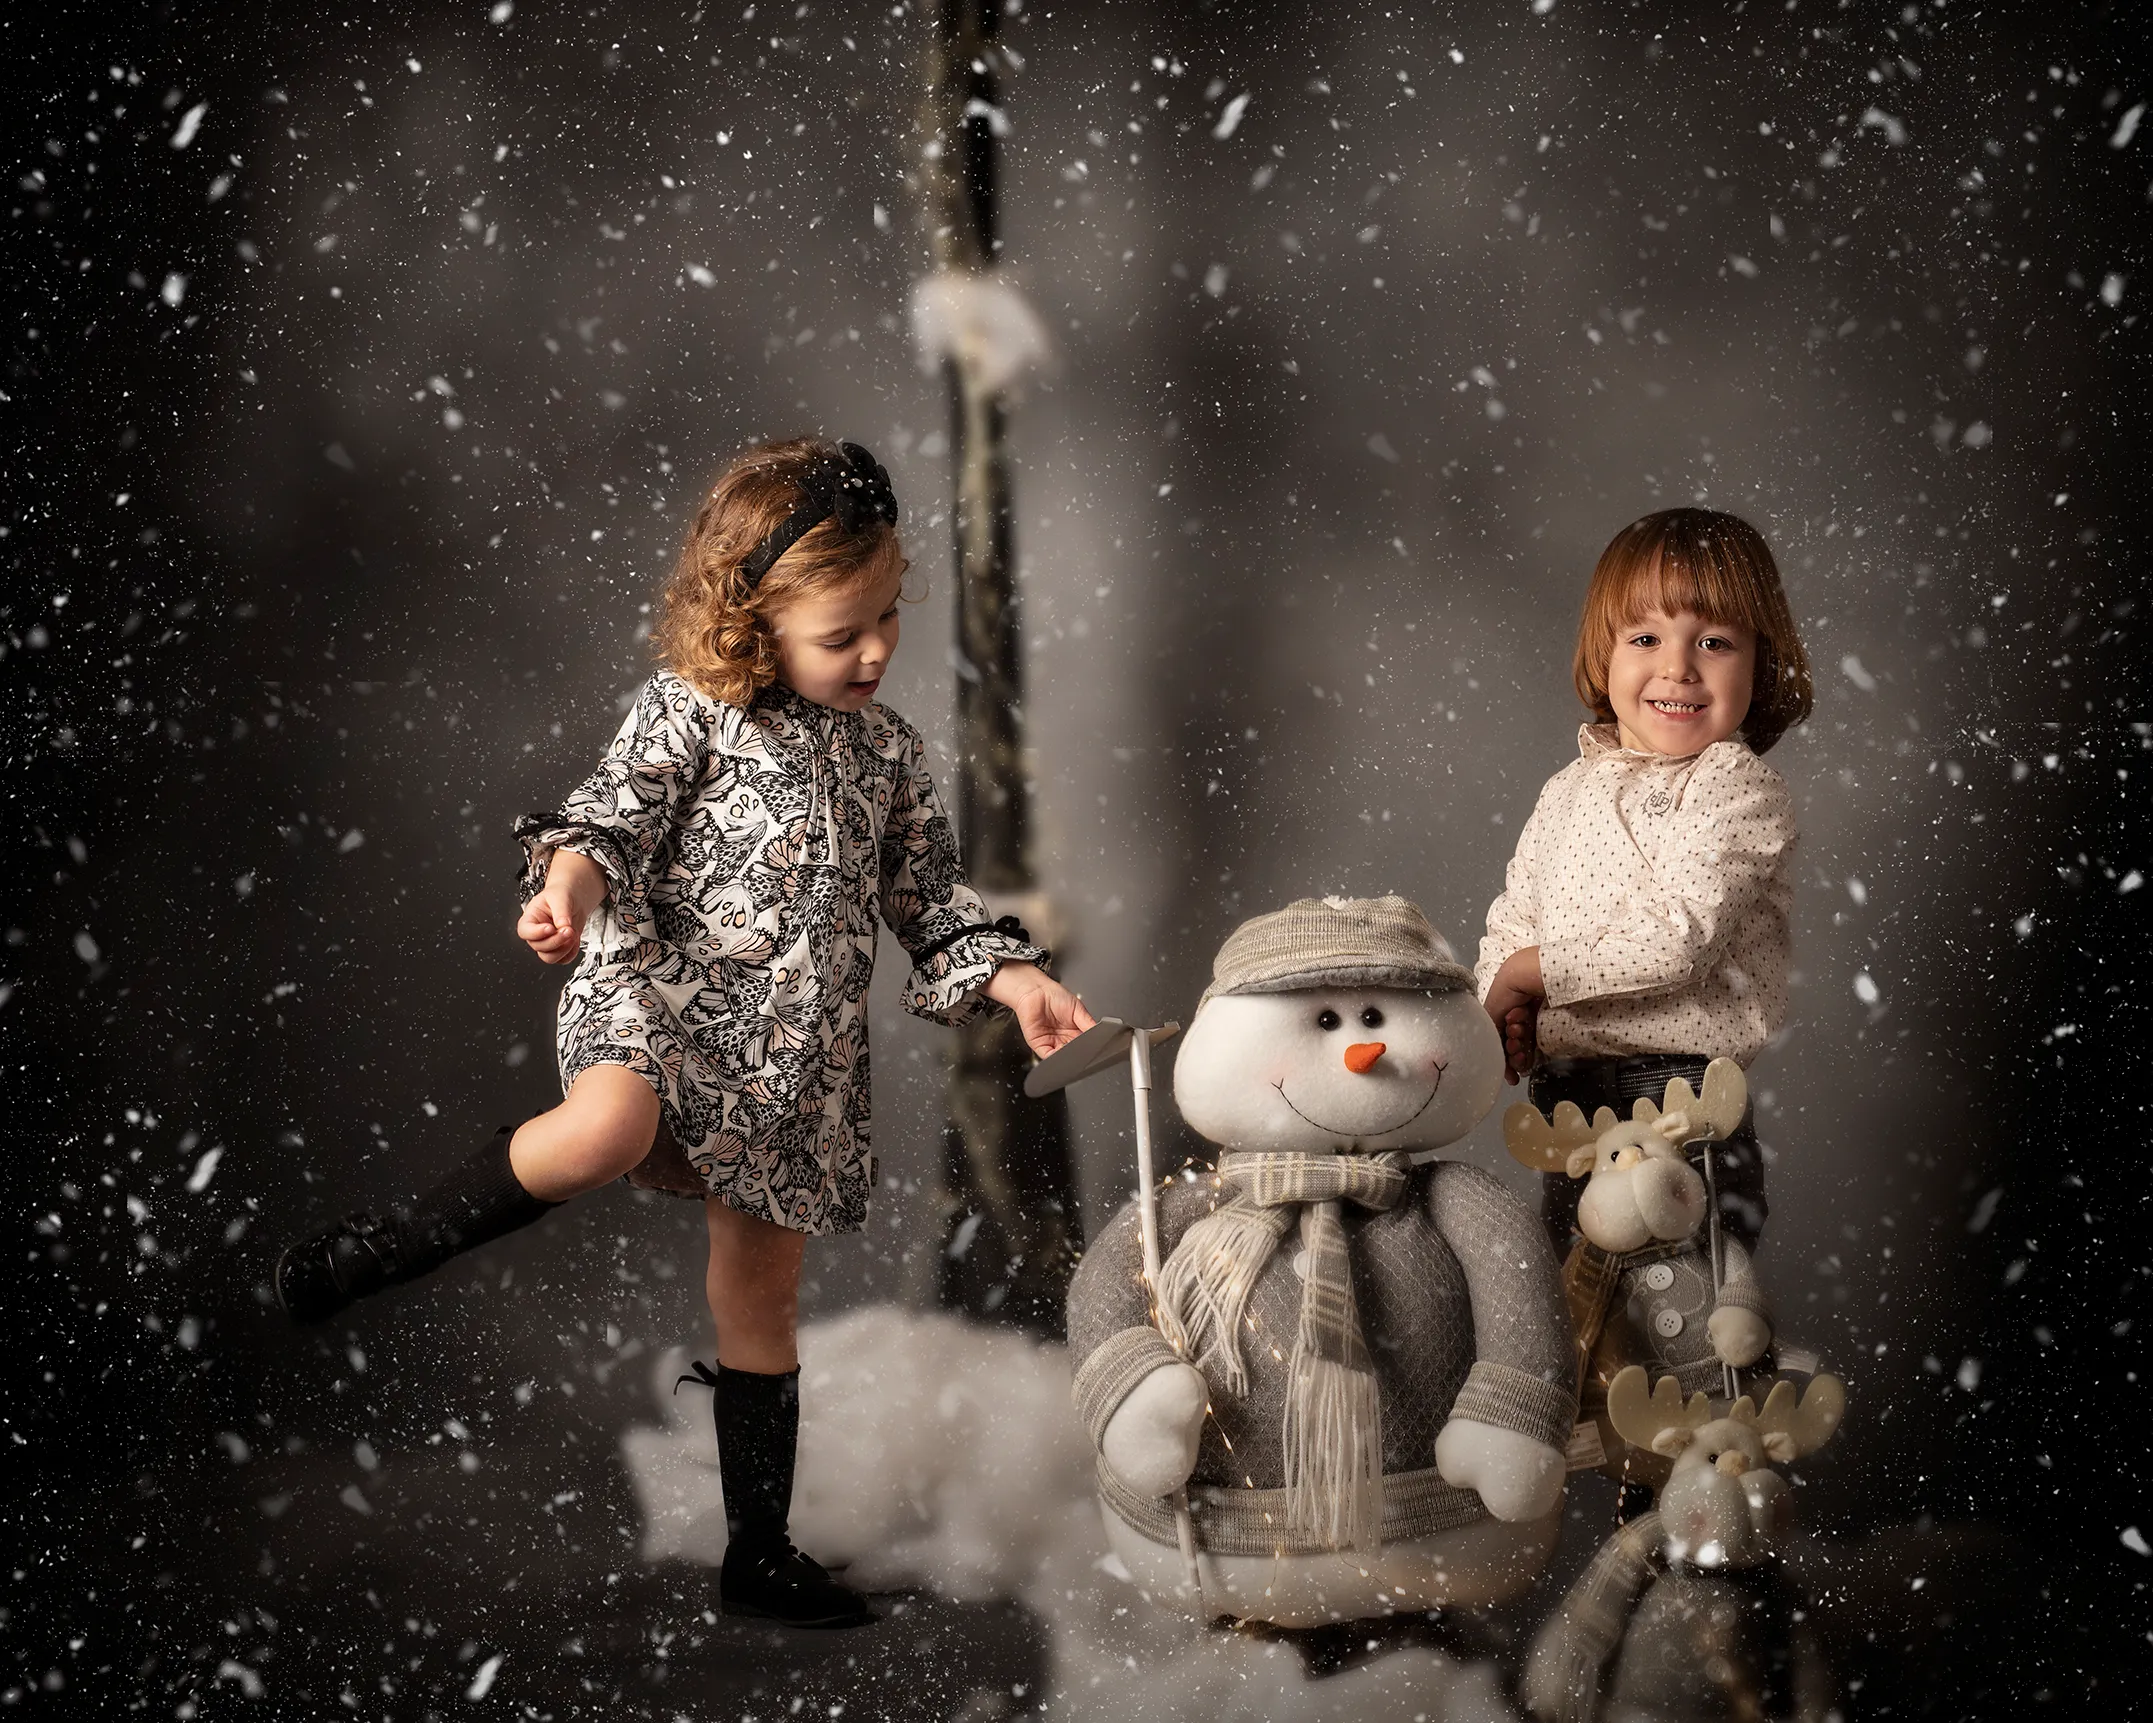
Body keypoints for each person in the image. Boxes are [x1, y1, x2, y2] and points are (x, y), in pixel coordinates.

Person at [275, 438, 1093, 1627]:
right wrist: (565, 892)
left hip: (790, 1057)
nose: (872, 652)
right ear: (754, 620)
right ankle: (383, 1243)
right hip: (656, 990)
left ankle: (758, 1552)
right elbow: (608, 814)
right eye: (839, 633)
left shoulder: (889, 755)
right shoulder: (689, 712)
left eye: (885, 620)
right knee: (607, 1125)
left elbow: (928, 901)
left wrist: (1014, 980)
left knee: (757, 1301)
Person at [1477, 507, 1812, 1258]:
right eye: (1645, 637)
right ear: (1604, 655)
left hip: (1680, 1106)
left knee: (1687, 1320)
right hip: (1568, 1099)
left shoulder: (1735, 787)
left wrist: (1529, 974)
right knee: (1582, 1319)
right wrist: (1494, 1014)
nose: (1677, 667)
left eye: (1715, 642)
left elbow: (1673, 943)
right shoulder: (1567, 789)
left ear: (1761, 665)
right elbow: (1513, 920)